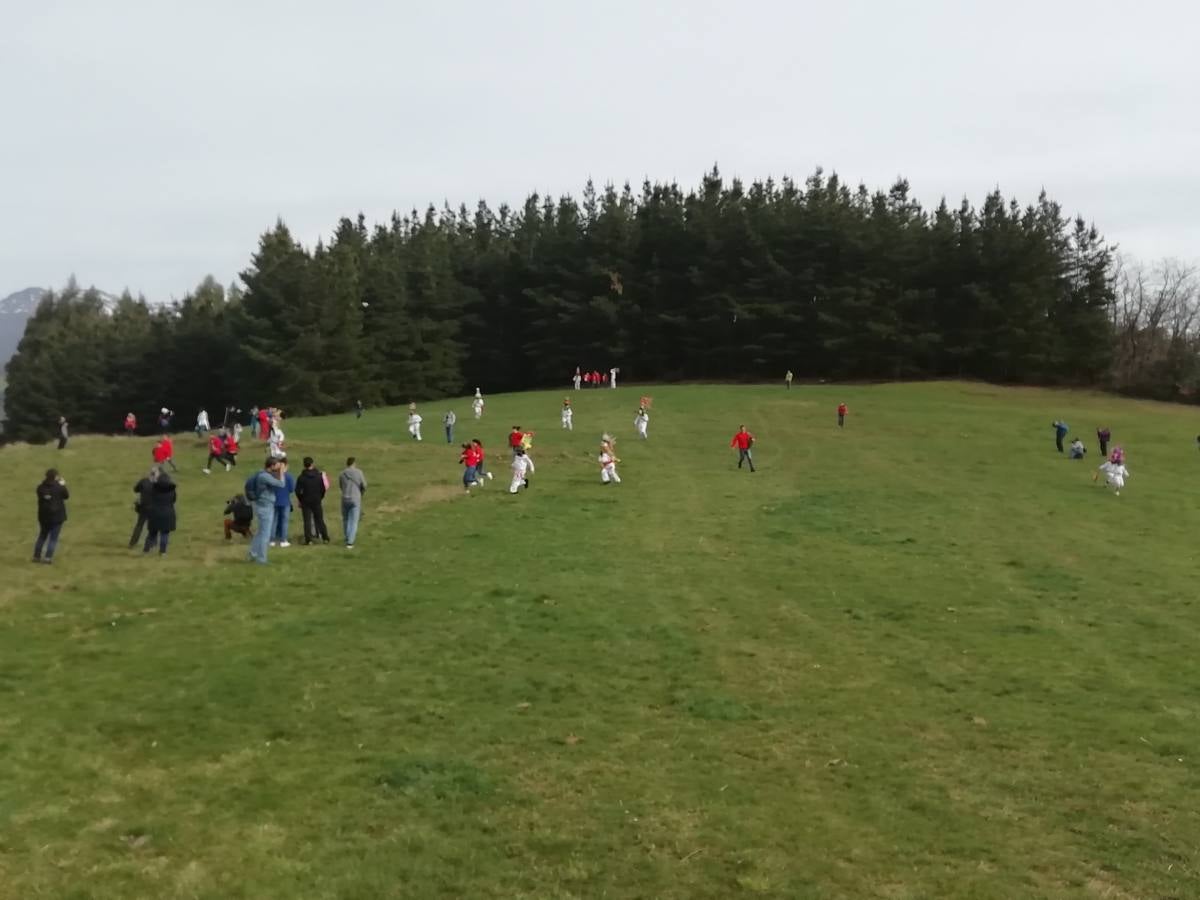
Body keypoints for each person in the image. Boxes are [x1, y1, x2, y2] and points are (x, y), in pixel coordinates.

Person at [244, 458, 286, 563]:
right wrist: (281, 472)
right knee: (265, 534)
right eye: (276, 465)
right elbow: (281, 484)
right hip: (265, 507)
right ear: (271, 466)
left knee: (260, 532)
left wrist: (279, 471)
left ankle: (252, 554)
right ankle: (261, 559)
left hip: (262, 506)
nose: (278, 467)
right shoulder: (265, 477)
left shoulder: (262, 474)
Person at [33, 468, 69, 564]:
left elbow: (45, 495)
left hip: (43, 517)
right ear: (55, 477)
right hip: (57, 517)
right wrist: (63, 485)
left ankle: (36, 556)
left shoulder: (40, 488)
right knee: (53, 538)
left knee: (42, 536)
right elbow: (66, 496)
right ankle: (47, 558)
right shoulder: (59, 487)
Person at [295, 456, 330, 545]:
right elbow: (323, 489)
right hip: (316, 500)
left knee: (307, 521)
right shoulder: (318, 476)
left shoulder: (301, 477)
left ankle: (309, 539)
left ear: (304, 465)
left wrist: (301, 499)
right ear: (312, 464)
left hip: (306, 501)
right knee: (319, 519)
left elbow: (297, 491)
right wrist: (320, 497)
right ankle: (325, 537)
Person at [142, 471, 177, 555]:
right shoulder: (172, 491)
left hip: (155, 513)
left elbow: (150, 499)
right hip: (168, 514)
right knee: (165, 534)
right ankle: (162, 552)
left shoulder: (153, 489)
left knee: (152, 533)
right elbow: (174, 500)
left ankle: (146, 549)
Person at [339, 457, 368, 549]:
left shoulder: (342, 473)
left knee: (345, 519)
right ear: (354, 463)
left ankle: (347, 537)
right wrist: (361, 492)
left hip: (344, 498)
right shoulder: (359, 472)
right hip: (355, 498)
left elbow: (341, 486)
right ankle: (350, 542)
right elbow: (364, 485)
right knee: (354, 521)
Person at [129, 466, 159, 548]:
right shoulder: (158, 484)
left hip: (143, 507)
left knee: (139, 525)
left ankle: (132, 543)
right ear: (156, 475)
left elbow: (135, 489)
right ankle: (152, 543)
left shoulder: (144, 481)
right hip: (154, 507)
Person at [271, 460, 295, 547]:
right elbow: (292, 489)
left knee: (274, 521)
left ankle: (272, 540)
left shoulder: (273, 476)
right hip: (285, 502)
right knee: (284, 521)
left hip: (274, 501)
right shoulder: (289, 477)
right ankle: (283, 540)